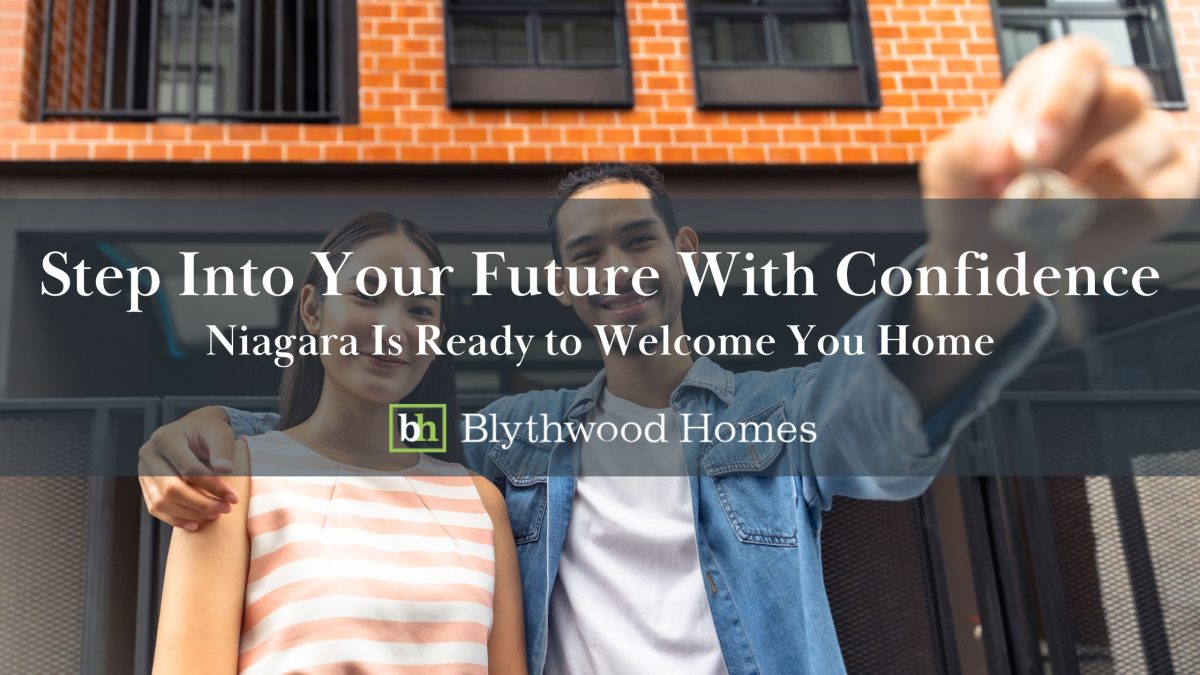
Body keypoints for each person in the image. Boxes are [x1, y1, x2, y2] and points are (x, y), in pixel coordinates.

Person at [139, 38, 1198, 674]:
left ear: (683, 253)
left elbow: (877, 420)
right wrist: (211, 433)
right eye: (585, 254)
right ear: (565, 286)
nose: (615, 269)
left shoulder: (771, 420)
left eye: (638, 240)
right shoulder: (514, 438)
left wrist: (983, 269)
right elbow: (368, 434)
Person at [151, 213, 526, 674]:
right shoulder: (237, 479)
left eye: (421, 310)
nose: (393, 326)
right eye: (367, 295)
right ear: (312, 309)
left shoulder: (480, 503)